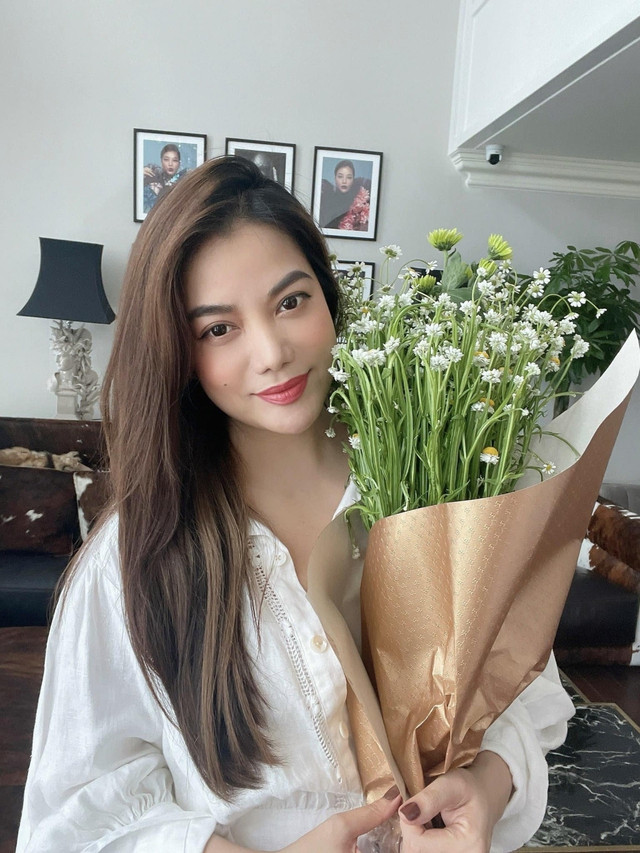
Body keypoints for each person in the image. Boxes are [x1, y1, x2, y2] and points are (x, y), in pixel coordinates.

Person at [17, 156, 575, 853]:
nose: (272, 352)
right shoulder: (135, 558)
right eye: (218, 329)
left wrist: (487, 789)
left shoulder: (438, 481)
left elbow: (529, 694)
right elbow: (77, 816)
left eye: (290, 302)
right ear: (177, 352)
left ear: (328, 297)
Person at [319, 159, 371, 230]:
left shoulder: (362, 200)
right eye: (340, 176)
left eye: (349, 177)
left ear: (353, 179)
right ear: (335, 178)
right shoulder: (326, 201)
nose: (344, 181)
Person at [143, 143, 189, 213]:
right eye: (166, 159)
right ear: (161, 161)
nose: (170, 164)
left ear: (179, 163)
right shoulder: (152, 175)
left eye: (174, 160)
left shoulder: (184, 180)